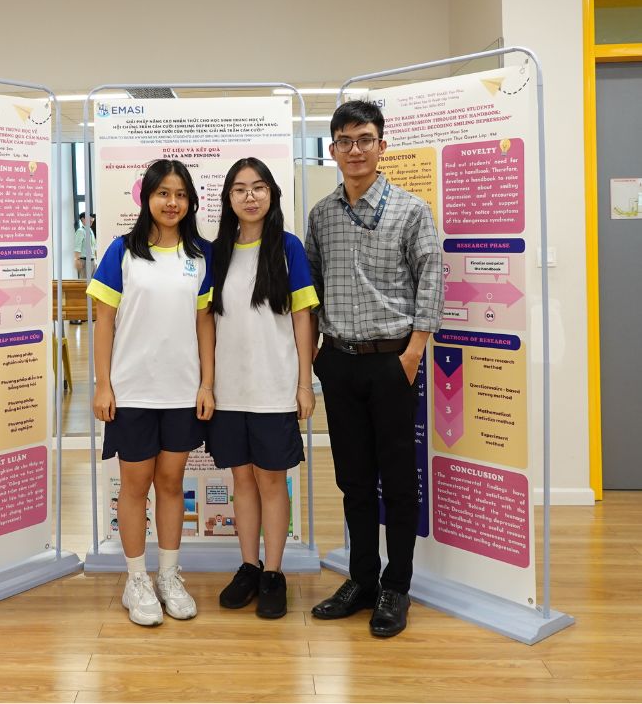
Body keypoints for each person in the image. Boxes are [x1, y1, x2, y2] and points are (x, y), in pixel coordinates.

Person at [306, 99, 443, 638]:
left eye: (364, 139)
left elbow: (431, 281)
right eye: (345, 141)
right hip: (338, 363)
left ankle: (396, 587)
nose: (355, 150)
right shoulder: (321, 215)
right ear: (333, 149)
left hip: (393, 363)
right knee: (354, 479)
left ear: (381, 145)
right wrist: (314, 356)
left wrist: (413, 353)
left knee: (398, 480)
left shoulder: (412, 211)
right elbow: (310, 288)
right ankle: (362, 579)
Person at [87, 160, 215, 627]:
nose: (172, 202)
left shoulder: (201, 255)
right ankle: (136, 579)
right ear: (147, 198)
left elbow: (205, 323)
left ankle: (169, 576)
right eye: (163, 193)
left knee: (171, 484)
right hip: (132, 391)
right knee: (135, 486)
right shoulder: (122, 251)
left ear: (190, 202)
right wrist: (103, 384)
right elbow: (104, 321)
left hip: (181, 391)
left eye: (180, 194)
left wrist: (206, 384)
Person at [206, 158, 317, 619]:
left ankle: (273, 572)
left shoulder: (288, 248)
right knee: (242, 480)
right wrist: (208, 384)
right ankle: (248, 566)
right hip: (229, 391)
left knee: (272, 480)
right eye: (239, 189)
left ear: (272, 193)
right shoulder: (216, 253)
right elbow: (207, 322)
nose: (249, 196)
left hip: (274, 388)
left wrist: (304, 383)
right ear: (228, 199)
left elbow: (303, 318)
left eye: (258, 187)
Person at [74, 212, 97, 279]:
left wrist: (95, 259)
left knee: (93, 282)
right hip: (84, 261)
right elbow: (77, 247)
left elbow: (93, 247)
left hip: (92, 261)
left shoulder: (90, 231)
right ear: (83, 219)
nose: (92, 220)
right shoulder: (80, 231)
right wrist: (77, 260)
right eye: (89, 218)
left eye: (92, 218)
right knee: (84, 282)